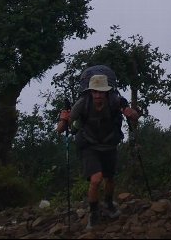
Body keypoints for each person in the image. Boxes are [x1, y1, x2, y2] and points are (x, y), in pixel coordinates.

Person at [56, 72, 141, 229]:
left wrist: (131, 112)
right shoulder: (82, 103)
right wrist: (63, 119)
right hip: (89, 145)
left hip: (109, 144)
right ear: (90, 92)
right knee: (96, 179)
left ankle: (108, 204)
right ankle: (94, 212)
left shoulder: (115, 101)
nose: (98, 95)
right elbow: (61, 129)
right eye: (95, 91)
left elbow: (135, 116)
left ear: (106, 92)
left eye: (101, 92)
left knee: (110, 178)